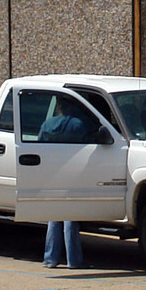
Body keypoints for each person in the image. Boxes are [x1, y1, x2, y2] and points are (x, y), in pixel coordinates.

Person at [39, 99, 91, 269]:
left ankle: (50, 259)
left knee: (54, 217)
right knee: (70, 219)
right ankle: (73, 260)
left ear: (59, 107)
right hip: (72, 173)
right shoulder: (78, 125)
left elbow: (39, 146)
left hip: (52, 174)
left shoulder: (47, 124)